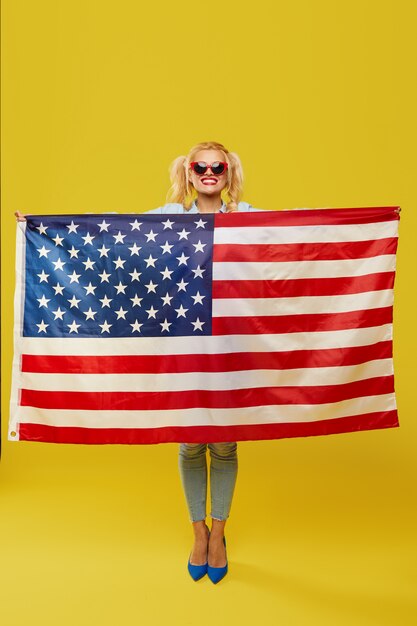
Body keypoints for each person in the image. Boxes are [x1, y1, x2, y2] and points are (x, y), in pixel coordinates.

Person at [14, 140, 259, 585]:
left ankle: (219, 533)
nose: (208, 172)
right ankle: (198, 532)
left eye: (216, 166)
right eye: (199, 166)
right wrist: (43, 228)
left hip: (229, 341)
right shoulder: (165, 220)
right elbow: (114, 243)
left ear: (228, 171)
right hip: (183, 343)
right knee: (189, 442)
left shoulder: (247, 217)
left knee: (224, 442)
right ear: (187, 173)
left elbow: (298, 236)